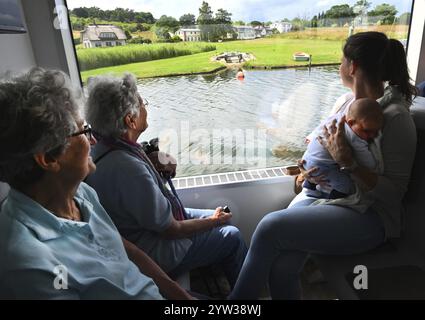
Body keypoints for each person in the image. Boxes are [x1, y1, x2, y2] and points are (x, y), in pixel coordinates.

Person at [229, 32, 417, 299]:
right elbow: (324, 148)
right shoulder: (344, 103)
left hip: (369, 216)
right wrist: (305, 172)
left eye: (341, 61)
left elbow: (393, 195)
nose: (340, 66)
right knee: (282, 266)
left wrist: (348, 163)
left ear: (352, 66)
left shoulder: (395, 118)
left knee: (271, 227)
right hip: (326, 197)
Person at [0, 68, 194, 299]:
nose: (93, 140)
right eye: (83, 131)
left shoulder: (82, 194)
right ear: (49, 158)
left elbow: (126, 251)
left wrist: (181, 296)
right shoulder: (30, 263)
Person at [84, 74, 247, 288]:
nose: (146, 108)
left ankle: (217, 279)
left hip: (145, 230)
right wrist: (213, 221)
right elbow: (171, 229)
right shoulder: (127, 168)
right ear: (130, 120)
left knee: (224, 218)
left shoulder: (106, 147)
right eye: (142, 104)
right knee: (231, 235)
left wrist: (153, 163)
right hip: (155, 250)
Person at [302, 98, 383, 199]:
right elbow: (366, 160)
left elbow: (316, 133)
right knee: (346, 186)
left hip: (307, 158)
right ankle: (332, 201)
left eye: (375, 132)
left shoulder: (337, 118)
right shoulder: (354, 137)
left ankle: (309, 187)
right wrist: (373, 165)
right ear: (351, 122)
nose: (372, 136)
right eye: (367, 131)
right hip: (322, 166)